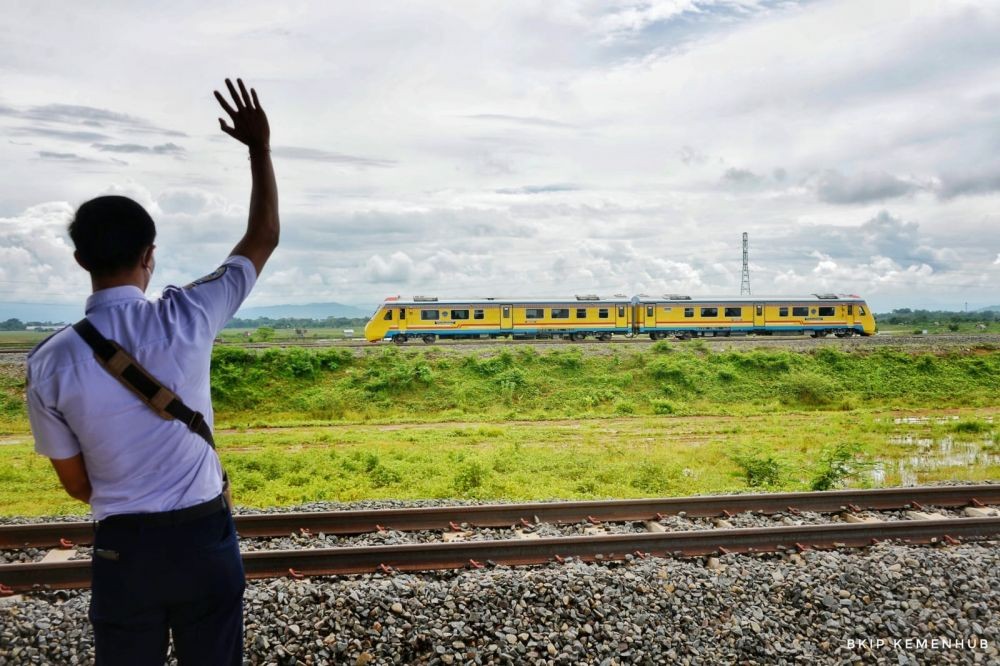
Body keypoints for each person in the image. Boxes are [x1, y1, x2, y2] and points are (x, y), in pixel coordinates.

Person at [25, 78, 278, 665]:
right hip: (203, 540)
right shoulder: (190, 314)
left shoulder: (49, 361)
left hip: (123, 554)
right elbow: (262, 237)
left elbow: (76, 485)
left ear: (80, 260)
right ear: (150, 255)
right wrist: (259, 150)